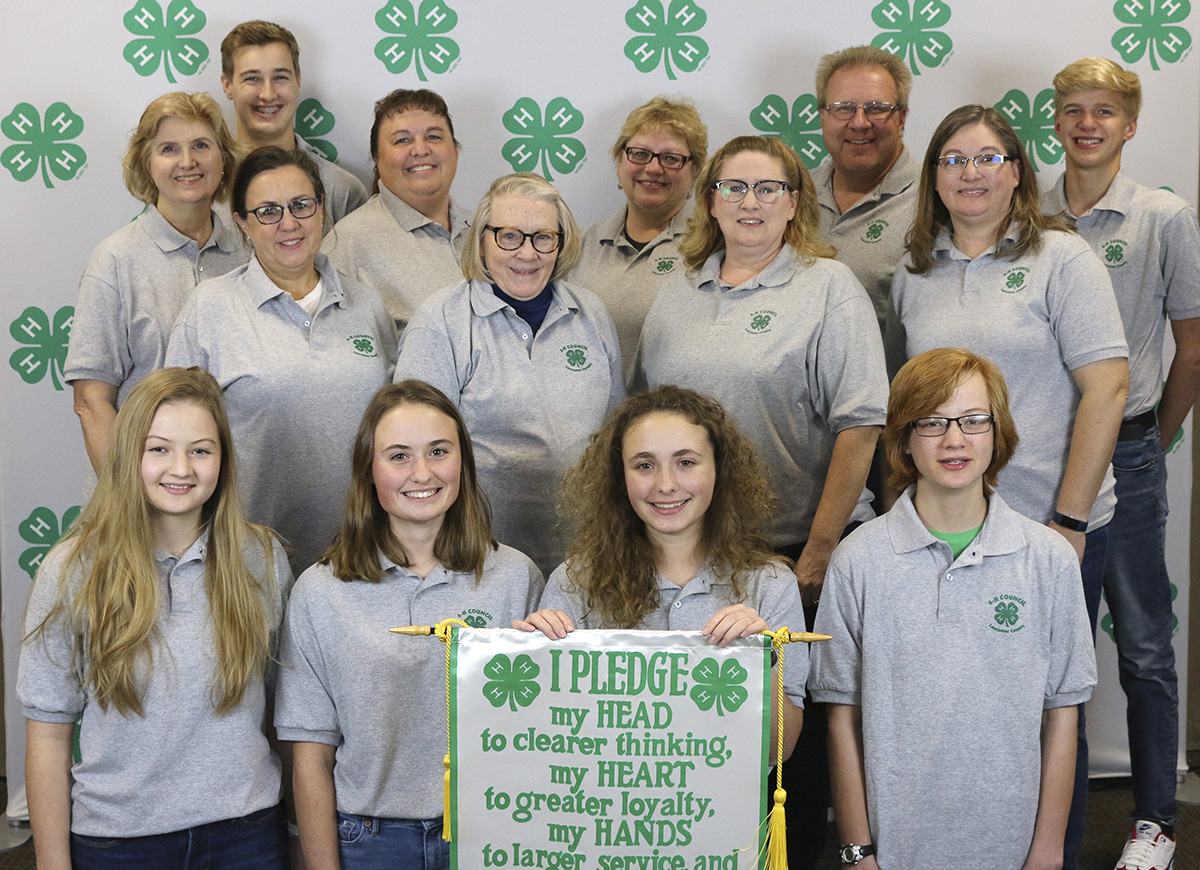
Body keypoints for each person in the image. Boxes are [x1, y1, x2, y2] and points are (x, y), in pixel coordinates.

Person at [888, 104, 1129, 870]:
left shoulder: (1062, 259)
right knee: (956, 705)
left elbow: (1109, 389)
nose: (971, 173)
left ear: (1017, 171)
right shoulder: (914, 271)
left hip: (1048, 526)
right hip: (950, 529)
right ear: (933, 177)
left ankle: (1047, 855)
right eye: (953, 159)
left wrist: (1068, 519)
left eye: (988, 158)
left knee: (1052, 707)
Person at [636, 135, 888, 867]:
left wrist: (816, 552)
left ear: (793, 202)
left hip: (786, 555)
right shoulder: (677, 283)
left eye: (769, 188)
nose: (751, 203)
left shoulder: (827, 286)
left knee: (785, 763)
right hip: (683, 550)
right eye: (735, 188)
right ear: (708, 199)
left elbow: (861, 423)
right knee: (686, 748)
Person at [812, 347, 1097, 870]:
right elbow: (841, 717)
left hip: (1013, 849)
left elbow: (1062, 714)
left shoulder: (1049, 559)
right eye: (932, 422)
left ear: (997, 432)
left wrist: (1048, 853)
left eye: (973, 420)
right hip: (893, 852)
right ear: (903, 437)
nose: (954, 439)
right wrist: (857, 854)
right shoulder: (857, 561)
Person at [19, 367, 293, 870]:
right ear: (129, 456)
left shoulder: (262, 558)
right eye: (159, 448)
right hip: (118, 842)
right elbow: (48, 735)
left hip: (248, 835)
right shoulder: (75, 567)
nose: (182, 468)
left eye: (201, 450)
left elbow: (281, 708)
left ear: (224, 460)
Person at [276, 380, 543, 870]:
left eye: (439, 451)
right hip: (368, 840)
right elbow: (311, 758)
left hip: (491, 832)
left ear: (463, 461)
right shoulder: (320, 591)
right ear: (368, 472)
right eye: (398, 456)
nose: (422, 473)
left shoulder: (516, 577)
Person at [1044, 57, 1200, 870]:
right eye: (1072, 109)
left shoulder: (1163, 217)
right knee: (1043, 644)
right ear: (1055, 121)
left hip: (1131, 446)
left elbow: (1193, 347)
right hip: (1041, 454)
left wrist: (1155, 436)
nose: (1087, 123)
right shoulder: (1024, 209)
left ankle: (1154, 821)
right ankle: (1039, 812)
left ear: (1130, 125)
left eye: (1105, 111)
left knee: (1142, 642)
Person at [516, 385, 805, 767]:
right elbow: (538, 741)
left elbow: (779, 751)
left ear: (719, 469)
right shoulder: (575, 580)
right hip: (595, 813)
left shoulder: (770, 583)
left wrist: (760, 661)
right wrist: (532, 661)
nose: (666, 484)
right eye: (644, 465)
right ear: (621, 477)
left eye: (686, 462)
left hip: (719, 818)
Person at [166, 147, 396, 577]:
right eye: (268, 211)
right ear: (242, 223)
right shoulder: (211, 307)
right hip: (247, 561)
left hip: (361, 557)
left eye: (301, 205)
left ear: (322, 210)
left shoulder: (364, 303)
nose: (289, 224)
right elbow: (170, 437)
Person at [394, 172, 623, 575]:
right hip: (477, 557)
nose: (528, 253)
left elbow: (617, 432)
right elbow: (412, 450)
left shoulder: (592, 313)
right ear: (482, 240)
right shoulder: (441, 321)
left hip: (583, 552)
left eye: (543, 237)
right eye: (510, 236)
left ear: (561, 242)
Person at [65, 91, 246, 474]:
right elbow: (91, 400)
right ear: (146, 164)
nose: (187, 162)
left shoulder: (250, 248)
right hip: (149, 489)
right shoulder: (115, 260)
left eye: (201, 145)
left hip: (239, 486)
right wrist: (132, 498)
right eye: (168, 149)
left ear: (224, 159)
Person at [571, 96, 708, 383]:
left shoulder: (713, 247)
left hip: (678, 420)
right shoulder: (578, 246)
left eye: (671, 158)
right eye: (640, 153)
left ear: (695, 173)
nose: (654, 168)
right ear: (620, 163)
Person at [323, 89, 470, 333]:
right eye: (402, 140)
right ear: (377, 159)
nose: (420, 150)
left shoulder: (488, 230)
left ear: (454, 151)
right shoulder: (347, 245)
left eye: (433, 136)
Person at [812, 45, 919, 332]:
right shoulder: (791, 195)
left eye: (877, 109)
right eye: (844, 108)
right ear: (822, 117)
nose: (859, 123)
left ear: (902, 119)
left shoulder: (937, 199)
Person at [220, 20, 366, 227]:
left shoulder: (342, 192)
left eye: (280, 77)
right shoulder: (203, 186)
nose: (268, 94)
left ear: (298, 81)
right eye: (252, 78)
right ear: (227, 86)